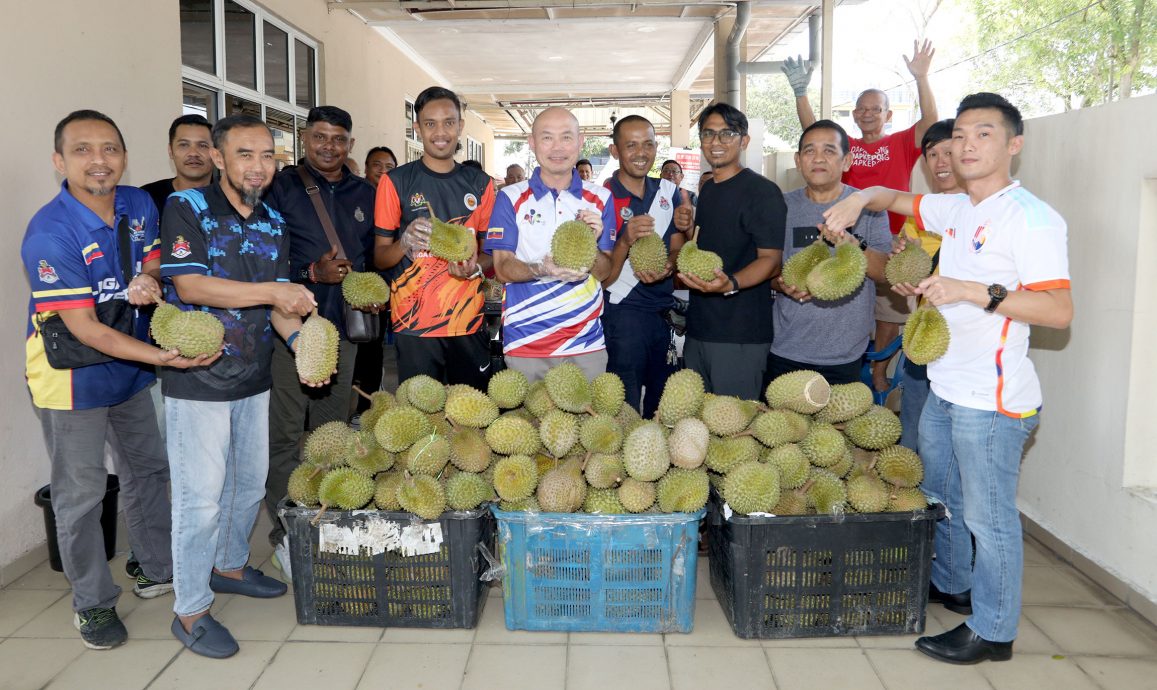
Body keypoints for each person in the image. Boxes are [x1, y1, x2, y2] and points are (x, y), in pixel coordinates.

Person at [822, 93, 1073, 664]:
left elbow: (1058, 310)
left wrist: (970, 291)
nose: (966, 146)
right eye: (960, 135)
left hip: (994, 397)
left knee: (990, 516)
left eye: (983, 134)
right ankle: (953, 583)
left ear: (1013, 144)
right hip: (944, 384)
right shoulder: (955, 209)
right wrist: (858, 198)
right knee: (941, 495)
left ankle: (993, 630)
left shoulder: (1030, 217)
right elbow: (889, 196)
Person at [21, 110, 210, 650]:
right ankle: (93, 604)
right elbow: (85, 329)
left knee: (148, 468)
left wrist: (146, 281)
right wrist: (163, 358)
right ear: (60, 161)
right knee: (79, 493)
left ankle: (155, 567)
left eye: (109, 148)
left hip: (127, 365)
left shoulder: (137, 204)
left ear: (125, 157)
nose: (98, 160)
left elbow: (152, 260)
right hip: (70, 376)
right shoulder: (50, 234)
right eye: (82, 150)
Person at [160, 114, 319, 659]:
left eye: (268, 156)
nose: (258, 166)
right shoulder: (189, 208)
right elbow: (191, 283)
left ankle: (229, 565)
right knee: (199, 500)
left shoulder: (273, 221)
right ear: (220, 159)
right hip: (197, 375)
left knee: (248, 484)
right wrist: (276, 294)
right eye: (246, 155)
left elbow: (277, 305)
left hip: (253, 375)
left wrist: (305, 346)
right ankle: (189, 609)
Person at [783, 40, 939, 392]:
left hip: (889, 242)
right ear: (853, 115)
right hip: (836, 233)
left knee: (886, 316)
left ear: (888, 115)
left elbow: (931, 123)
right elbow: (816, 135)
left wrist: (922, 77)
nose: (868, 113)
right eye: (862, 108)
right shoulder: (844, 149)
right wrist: (800, 93)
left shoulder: (898, 143)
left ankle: (878, 370)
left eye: (876, 108)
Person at [263, 106, 378, 569]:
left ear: (350, 144)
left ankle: (328, 521)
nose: (328, 146)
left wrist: (373, 291)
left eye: (338, 139)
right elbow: (263, 258)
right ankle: (285, 531)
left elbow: (376, 257)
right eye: (319, 137)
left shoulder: (365, 193)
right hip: (290, 328)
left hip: (343, 330)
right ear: (304, 139)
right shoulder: (280, 187)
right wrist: (311, 272)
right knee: (288, 433)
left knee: (331, 433)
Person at [373, 86, 495, 387]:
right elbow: (380, 256)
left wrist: (475, 267)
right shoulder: (395, 182)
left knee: (470, 418)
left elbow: (491, 252)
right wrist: (404, 242)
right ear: (417, 128)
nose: (440, 132)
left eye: (449, 122)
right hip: (414, 324)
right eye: (430, 124)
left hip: (467, 321)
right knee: (421, 421)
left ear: (460, 127)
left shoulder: (481, 184)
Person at [484, 106, 616, 381]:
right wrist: (543, 268)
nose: (557, 148)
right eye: (547, 138)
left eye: (566, 137)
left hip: (585, 341)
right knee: (527, 424)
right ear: (532, 143)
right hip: (526, 343)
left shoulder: (601, 198)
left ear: (580, 143)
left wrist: (588, 244)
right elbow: (503, 268)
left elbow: (604, 273)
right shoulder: (509, 198)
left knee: (589, 422)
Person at [768, 120, 890, 385]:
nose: (819, 158)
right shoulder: (779, 206)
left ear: (847, 161)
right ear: (798, 160)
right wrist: (780, 283)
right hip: (786, 345)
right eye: (810, 151)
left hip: (844, 352)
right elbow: (769, 266)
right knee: (783, 425)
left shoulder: (869, 208)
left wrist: (850, 244)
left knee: (837, 427)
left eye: (829, 151)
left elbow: (885, 273)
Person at [676, 102, 785, 400]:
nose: (716, 142)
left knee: (735, 431)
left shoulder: (762, 193)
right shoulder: (709, 190)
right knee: (701, 425)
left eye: (727, 134)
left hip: (740, 334)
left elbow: (771, 262)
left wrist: (731, 283)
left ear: (744, 140)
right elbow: (705, 251)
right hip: (700, 328)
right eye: (709, 134)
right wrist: (686, 226)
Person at [601, 116, 692, 417]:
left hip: (662, 313)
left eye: (649, 144)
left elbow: (678, 245)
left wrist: (670, 263)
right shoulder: (601, 198)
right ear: (615, 150)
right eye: (631, 145)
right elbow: (599, 271)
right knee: (624, 406)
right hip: (621, 315)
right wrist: (624, 242)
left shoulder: (669, 191)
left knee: (662, 404)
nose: (641, 152)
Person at [897, 119, 962, 451]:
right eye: (932, 153)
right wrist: (903, 276)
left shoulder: (987, 212)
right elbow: (906, 269)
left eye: (948, 151)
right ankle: (915, 502)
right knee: (913, 434)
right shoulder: (918, 213)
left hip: (967, 345)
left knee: (956, 445)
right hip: (924, 336)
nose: (940, 162)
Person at [140, 114, 213, 216]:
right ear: (170, 151)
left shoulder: (231, 196)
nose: (193, 153)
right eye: (184, 145)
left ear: (216, 153)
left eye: (202, 145)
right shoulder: (147, 198)